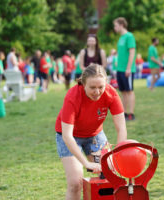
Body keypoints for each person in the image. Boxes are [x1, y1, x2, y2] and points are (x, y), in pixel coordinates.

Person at [55, 64, 127, 200]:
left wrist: (117, 154)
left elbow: (121, 128)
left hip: (94, 135)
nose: (97, 92)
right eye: (92, 87)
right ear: (83, 84)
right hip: (70, 137)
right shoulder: (72, 97)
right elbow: (67, 135)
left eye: (101, 87)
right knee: (75, 183)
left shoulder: (111, 94)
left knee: (110, 173)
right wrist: (86, 163)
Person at [113, 17, 137, 121]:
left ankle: (131, 114)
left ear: (121, 25)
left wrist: (128, 68)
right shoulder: (121, 38)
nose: (114, 28)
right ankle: (124, 113)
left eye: (116, 25)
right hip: (120, 69)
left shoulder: (129, 36)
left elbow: (132, 52)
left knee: (129, 91)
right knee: (123, 92)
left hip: (127, 70)